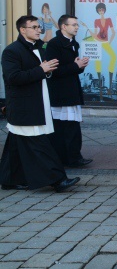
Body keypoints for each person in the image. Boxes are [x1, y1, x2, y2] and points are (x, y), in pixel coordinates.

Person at [0, 15, 80, 192]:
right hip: (25, 107)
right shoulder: (11, 51)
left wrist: (48, 71)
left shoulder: (41, 48)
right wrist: (41, 70)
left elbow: (45, 73)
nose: (39, 30)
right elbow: (13, 78)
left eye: (39, 27)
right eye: (34, 27)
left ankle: (8, 179)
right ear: (23, 30)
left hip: (39, 103)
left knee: (15, 145)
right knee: (40, 145)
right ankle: (58, 180)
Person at [44, 14, 93, 168]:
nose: (77, 27)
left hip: (71, 89)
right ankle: (66, 158)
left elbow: (71, 68)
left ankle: (73, 157)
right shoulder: (54, 44)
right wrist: (75, 66)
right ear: (63, 27)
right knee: (62, 127)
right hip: (60, 91)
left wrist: (80, 66)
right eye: (73, 25)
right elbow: (54, 71)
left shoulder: (74, 44)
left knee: (72, 126)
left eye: (77, 25)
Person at [80, 2, 116, 99]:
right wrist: (86, 27)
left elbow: (113, 32)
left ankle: (110, 85)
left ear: (104, 10)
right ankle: (100, 89)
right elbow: (95, 34)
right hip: (98, 42)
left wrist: (110, 42)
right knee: (98, 61)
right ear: (97, 11)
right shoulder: (96, 21)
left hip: (105, 42)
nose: (101, 11)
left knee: (113, 56)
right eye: (99, 10)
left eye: (102, 9)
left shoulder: (109, 20)